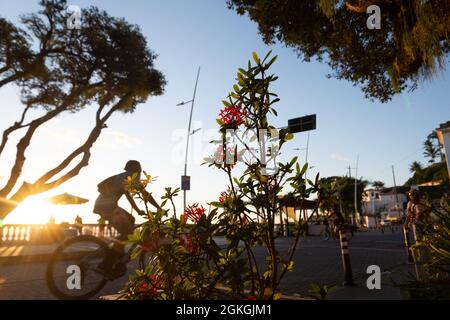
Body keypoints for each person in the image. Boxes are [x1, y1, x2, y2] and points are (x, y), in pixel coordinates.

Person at [93, 160, 161, 276]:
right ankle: (106, 264)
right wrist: (158, 208)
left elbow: (135, 195)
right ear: (138, 170)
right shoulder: (130, 177)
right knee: (126, 233)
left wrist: (140, 210)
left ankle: (118, 252)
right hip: (108, 207)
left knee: (131, 220)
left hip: (104, 205)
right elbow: (141, 195)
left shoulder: (123, 176)